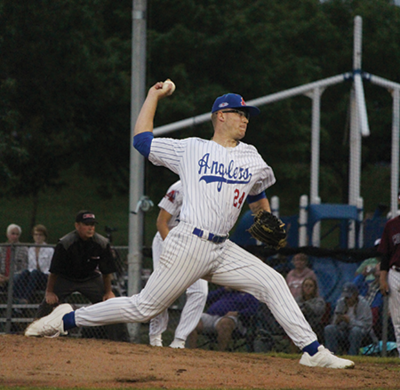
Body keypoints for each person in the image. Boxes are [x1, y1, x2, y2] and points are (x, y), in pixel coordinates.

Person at [25, 81, 354, 368]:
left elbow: (258, 191)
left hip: (222, 249)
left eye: (247, 115)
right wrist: (154, 95)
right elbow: (142, 141)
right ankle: (66, 319)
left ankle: (312, 350)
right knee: (144, 307)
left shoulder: (251, 156)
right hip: (189, 242)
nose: (245, 119)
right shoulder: (192, 149)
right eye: (240, 113)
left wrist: (263, 215)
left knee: (272, 282)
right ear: (220, 116)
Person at [33, 211, 129, 342]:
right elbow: (54, 271)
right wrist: (49, 292)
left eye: (93, 225)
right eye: (86, 224)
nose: (91, 228)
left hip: (90, 278)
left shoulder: (101, 243)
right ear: (77, 226)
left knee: (111, 305)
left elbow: (106, 271)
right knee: (48, 303)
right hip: (66, 277)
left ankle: (122, 341)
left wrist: (108, 292)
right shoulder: (65, 243)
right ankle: (35, 334)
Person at [149, 180, 208, 349]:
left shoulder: (213, 188)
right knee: (163, 288)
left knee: (200, 291)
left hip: (193, 242)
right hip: (168, 237)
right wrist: (172, 249)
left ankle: (180, 339)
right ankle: (155, 337)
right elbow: (161, 223)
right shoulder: (179, 188)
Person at [187, 286, 258, 351]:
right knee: (193, 319)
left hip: (231, 319)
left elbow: (254, 310)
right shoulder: (226, 292)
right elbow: (207, 299)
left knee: (225, 323)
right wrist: (223, 289)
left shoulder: (250, 295)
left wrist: (238, 313)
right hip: (211, 316)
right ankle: (192, 351)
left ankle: (221, 353)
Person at [324, 282, 372, 356]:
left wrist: (350, 321)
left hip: (360, 333)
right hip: (343, 330)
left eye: (349, 297)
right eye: (346, 297)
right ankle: (331, 356)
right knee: (329, 329)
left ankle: (352, 356)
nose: (347, 299)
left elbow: (367, 325)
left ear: (355, 295)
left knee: (355, 331)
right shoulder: (341, 302)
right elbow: (334, 322)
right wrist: (337, 321)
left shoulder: (363, 304)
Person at [378, 201, 400, 357]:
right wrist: (383, 278)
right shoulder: (392, 225)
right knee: (398, 319)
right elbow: (385, 255)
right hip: (396, 273)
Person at [12, 225, 54, 303]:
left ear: (44, 236)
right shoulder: (31, 249)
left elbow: (51, 268)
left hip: (45, 277)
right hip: (33, 277)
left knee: (34, 273)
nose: (38, 237)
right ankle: (17, 299)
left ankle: (26, 299)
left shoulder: (49, 250)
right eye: (36, 235)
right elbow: (30, 267)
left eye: (40, 235)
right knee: (24, 273)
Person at [0, 224, 28, 297]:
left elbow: (24, 268)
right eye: (13, 234)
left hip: (16, 277)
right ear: (7, 234)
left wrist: (8, 278)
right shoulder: (2, 248)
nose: (15, 236)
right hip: (2, 276)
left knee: (17, 278)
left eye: (17, 234)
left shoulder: (23, 249)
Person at [295, 278, 326, 343]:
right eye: (306, 285)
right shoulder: (297, 300)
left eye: (311, 286)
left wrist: (306, 306)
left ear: (315, 288)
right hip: (299, 325)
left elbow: (317, 311)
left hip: (314, 326)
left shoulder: (319, 301)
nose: (308, 288)